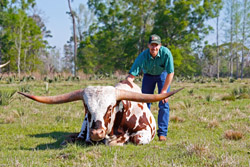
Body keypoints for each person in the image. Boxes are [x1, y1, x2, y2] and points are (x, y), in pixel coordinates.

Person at [123, 34, 174, 141]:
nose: (154, 48)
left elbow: (170, 72)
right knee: (144, 104)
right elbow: (132, 75)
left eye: (156, 45)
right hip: (148, 76)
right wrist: (126, 87)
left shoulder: (166, 53)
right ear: (148, 46)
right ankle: (146, 129)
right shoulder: (143, 56)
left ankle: (162, 133)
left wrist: (164, 91)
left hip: (162, 75)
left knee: (164, 103)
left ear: (160, 45)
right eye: (152, 45)